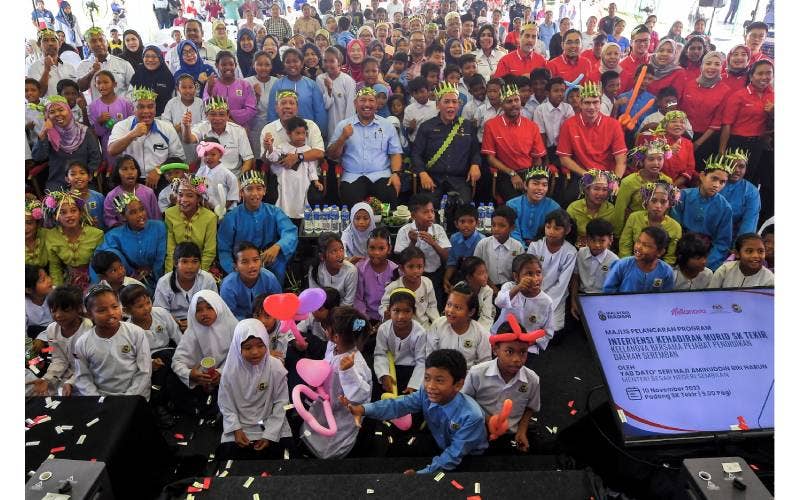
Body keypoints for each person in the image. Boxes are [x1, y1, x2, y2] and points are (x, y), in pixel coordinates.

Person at [343, 348, 487, 473]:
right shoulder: (426, 391)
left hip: (470, 459)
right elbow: (399, 405)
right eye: (427, 378)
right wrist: (363, 409)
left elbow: (454, 455)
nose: (430, 386)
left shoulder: (472, 416)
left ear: (458, 384)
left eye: (439, 380)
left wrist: (422, 475)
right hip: (439, 443)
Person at [301, 307, 372, 459]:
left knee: (330, 445)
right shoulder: (333, 347)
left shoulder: (354, 363)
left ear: (336, 336)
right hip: (325, 401)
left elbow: (360, 395)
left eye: (327, 329)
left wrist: (348, 372)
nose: (325, 331)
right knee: (316, 425)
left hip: (341, 413)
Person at [217, 318, 292, 460]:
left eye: (260, 345)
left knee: (282, 461)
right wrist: (236, 429)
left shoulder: (275, 367)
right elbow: (226, 403)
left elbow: (282, 403)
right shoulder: (231, 370)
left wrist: (270, 433)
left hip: (271, 421)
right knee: (231, 463)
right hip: (241, 424)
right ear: (238, 347)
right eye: (247, 347)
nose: (255, 352)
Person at [462, 318, 540, 451]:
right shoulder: (477, 373)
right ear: (495, 349)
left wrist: (522, 431)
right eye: (509, 351)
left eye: (523, 352)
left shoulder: (532, 380)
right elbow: (465, 400)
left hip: (510, 434)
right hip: (478, 429)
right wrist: (488, 420)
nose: (517, 359)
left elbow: (530, 407)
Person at [327, 87, 403, 207]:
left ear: (377, 104)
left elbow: (395, 153)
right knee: (351, 202)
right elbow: (332, 155)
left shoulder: (387, 125)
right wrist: (343, 138)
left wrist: (395, 174)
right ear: (355, 103)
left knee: (390, 197)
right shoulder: (343, 125)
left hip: (382, 175)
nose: (367, 104)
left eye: (371, 100)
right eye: (362, 100)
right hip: (353, 176)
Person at [217, 171, 297, 284]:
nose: (255, 193)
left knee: (278, 265)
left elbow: (290, 232)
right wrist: (233, 268)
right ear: (241, 193)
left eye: (259, 188)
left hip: (269, 260)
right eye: (249, 189)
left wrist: (278, 246)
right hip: (242, 263)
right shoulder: (231, 217)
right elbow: (224, 249)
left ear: (264, 191)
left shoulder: (274, 212)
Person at [73, 285, 152, 398]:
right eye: (102, 310)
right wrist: (97, 398)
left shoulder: (135, 332)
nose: (111, 313)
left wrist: (129, 397)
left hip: (134, 396)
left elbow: (144, 370)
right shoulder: (83, 342)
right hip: (102, 398)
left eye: (115, 306)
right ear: (90, 315)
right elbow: (83, 377)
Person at [412, 83, 482, 204]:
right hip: (432, 179)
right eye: (446, 102)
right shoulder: (426, 127)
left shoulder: (467, 126)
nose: (451, 106)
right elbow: (416, 154)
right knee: (427, 210)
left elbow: (475, 151)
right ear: (438, 105)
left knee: (463, 208)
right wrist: (422, 174)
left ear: (459, 105)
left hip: (459, 180)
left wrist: (475, 164)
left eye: (454, 102)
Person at [171, 290, 239, 413]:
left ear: (218, 307)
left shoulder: (233, 327)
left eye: (209, 308)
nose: (204, 314)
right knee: (172, 379)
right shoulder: (192, 332)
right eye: (199, 310)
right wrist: (191, 374)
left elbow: (239, 356)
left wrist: (221, 372)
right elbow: (177, 361)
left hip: (230, 376)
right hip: (202, 381)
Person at [482, 84, 547, 203]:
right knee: (516, 202)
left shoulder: (532, 126)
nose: (514, 104)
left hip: (529, 173)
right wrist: (512, 174)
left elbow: (537, 158)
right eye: (509, 101)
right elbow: (490, 158)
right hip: (505, 173)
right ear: (502, 104)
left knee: (538, 199)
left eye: (516, 100)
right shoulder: (491, 125)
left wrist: (532, 179)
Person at [107, 87, 185, 184]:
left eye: (150, 106)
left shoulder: (167, 128)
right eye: (141, 107)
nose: (146, 111)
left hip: (161, 177)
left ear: (155, 108)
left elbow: (178, 157)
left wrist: (159, 170)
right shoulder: (121, 126)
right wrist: (132, 134)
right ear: (133, 109)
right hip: (130, 180)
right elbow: (112, 151)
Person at [670, 156, 734, 271]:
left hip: (705, 256)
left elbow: (722, 243)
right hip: (679, 250)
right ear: (702, 176)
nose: (717, 185)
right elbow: (673, 229)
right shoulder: (683, 196)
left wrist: (705, 263)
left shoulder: (725, 208)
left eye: (722, 182)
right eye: (714, 178)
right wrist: (678, 257)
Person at [718, 60, 774, 188]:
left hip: (760, 145)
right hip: (738, 144)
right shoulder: (739, 95)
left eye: (768, 73)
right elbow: (727, 124)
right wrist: (721, 151)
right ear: (751, 76)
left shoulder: (773, 95)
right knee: (732, 180)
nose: (764, 77)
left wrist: (773, 111)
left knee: (752, 180)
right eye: (760, 73)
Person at [556, 81, 627, 179]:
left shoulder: (614, 125)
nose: (591, 107)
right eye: (587, 103)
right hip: (582, 174)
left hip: (608, 176)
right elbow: (564, 158)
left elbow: (621, 159)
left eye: (595, 102)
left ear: (600, 103)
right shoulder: (569, 124)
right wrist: (586, 175)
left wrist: (615, 181)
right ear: (580, 104)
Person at [30, 285, 92, 396]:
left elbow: (89, 364)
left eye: (65, 310)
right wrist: (47, 379)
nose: (58, 315)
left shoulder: (88, 328)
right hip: (66, 376)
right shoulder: (52, 329)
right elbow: (59, 360)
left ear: (78, 308)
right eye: (53, 311)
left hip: (89, 375)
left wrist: (71, 382)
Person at [97, 191, 166, 289]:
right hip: (128, 282)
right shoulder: (114, 235)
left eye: (142, 209)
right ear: (123, 217)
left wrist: (158, 280)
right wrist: (131, 276)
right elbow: (100, 259)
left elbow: (161, 258)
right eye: (133, 212)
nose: (140, 215)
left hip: (159, 278)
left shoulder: (159, 227)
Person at [32, 95, 102, 191]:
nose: (57, 114)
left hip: (83, 183)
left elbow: (96, 158)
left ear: (68, 111)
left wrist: (82, 177)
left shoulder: (84, 132)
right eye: (52, 112)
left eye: (61, 110)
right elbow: (38, 157)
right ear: (47, 116)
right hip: (57, 183)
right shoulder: (48, 134)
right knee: (57, 205)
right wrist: (43, 133)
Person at [525, 209, 576, 333]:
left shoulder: (570, 252)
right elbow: (528, 274)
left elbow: (562, 284)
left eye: (557, 228)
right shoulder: (535, 246)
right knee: (526, 326)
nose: (551, 232)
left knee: (554, 332)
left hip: (555, 298)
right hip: (532, 292)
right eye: (548, 227)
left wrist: (545, 301)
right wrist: (535, 295)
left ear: (567, 230)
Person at [43, 189, 103, 292]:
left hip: (95, 280)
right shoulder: (51, 236)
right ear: (55, 216)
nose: (69, 215)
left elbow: (100, 265)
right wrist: (58, 290)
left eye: (73, 210)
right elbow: (55, 267)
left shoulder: (96, 234)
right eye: (63, 212)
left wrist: (97, 288)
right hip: (68, 281)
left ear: (80, 213)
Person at [264, 116, 323, 221]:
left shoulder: (307, 150)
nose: (301, 136)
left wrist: (316, 181)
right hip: (285, 181)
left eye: (303, 133)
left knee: (301, 202)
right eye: (297, 133)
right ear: (289, 134)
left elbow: (312, 169)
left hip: (302, 183)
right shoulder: (282, 147)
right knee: (285, 200)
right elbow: (273, 157)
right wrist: (270, 147)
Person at [181, 96, 255, 178]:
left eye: (222, 114)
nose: (217, 118)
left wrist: (239, 181)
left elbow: (248, 159)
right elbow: (188, 140)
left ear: (228, 115)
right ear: (206, 115)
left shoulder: (239, 131)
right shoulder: (202, 127)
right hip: (206, 178)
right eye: (212, 114)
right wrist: (186, 126)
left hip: (232, 176)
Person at [153, 242, 218, 330]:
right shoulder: (164, 283)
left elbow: (214, 308)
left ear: (200, 263)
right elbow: (160, 313)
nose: (190, 266)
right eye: (184, 261)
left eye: (195, 261)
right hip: (173, 326)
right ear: (175, 263)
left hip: (202, 323)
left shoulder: (207, 280)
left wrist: (194, 322)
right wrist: (175, 323)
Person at [374, 288, 427, 393]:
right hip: (389, 368)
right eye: (396, 311)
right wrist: (384, 374)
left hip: (411, 371)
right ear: (389, 311)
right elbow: (380, 354)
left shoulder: (420, 332)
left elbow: (421, 361)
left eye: (407, 311)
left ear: (414, 312)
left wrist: (413, 385)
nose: (401, 316)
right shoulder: (384, 329)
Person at [618, 180, 682, 266]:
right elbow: (625, 247)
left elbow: (670, 258)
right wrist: (628, 266)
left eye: (663, 202)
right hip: (631, 264)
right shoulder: (634, 217)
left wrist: (657, 272)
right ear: (646, 200)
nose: (658, 206)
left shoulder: (675, 227)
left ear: (669, 204)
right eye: (653, 200)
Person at [266, 48, 328, 133]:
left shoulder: (311, 85)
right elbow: (272, 112)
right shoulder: (278, 85)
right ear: (284, 64)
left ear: (302, 63)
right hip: (283, 134)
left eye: (295, 61)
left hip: (307, 133)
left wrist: (320, 133)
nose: (292, 65)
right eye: (288, 62)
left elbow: (319, 112)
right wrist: (275, 133)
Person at [164, 175, 217, 272]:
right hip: (178, 266)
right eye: (180, 194)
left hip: (202, 266)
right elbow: (170, 250)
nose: (183, 199)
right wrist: (170, 274)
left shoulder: (210, 217)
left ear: (199, 199)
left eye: (190, 195)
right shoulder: (169, 214)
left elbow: (210, 251)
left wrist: (199, 273)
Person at [220, 241, 282, 320]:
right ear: (235, 266)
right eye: (244, 262)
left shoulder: (269, 278)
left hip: (267, 321)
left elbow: (278, 306)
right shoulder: (228, 286)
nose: (252, 265)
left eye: (256, 260)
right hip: (239, 324)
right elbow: (228, 315)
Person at [569, 219, 618, 318]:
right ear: (586, 239)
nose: (597, 245)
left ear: (610, 240)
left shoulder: (615, 261)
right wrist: (573, 301)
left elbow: (613, 290)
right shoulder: (580, 254)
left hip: (601, 300)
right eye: (593, 240)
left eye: (602, 240)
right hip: (580, 296)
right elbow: (575, 279)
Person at [380, 247, 439, 328]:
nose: (415, 271)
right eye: (411, 267)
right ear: (401, 268)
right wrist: (385, 313)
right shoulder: (394, 287)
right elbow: (384, 305)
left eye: (419, 267)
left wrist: (437, 323)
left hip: (423, 327)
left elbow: (431, 306)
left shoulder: (427, 283)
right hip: (401, 327)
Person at [603, 227, 675, 293]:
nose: (638, 247)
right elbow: (608, 291)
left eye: (646, 245)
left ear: (660, 252)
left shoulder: (666, 271)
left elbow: (666, 297)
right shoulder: (622, 265)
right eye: (638, 241)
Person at [472, 206, 525, 292]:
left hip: (510, 289)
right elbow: (476, 269)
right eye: (493, 225)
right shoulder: (483, 244)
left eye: (502, 226)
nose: (496, 229)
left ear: (512, 228)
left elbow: (519, 272)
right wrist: (493, 288)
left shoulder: (517, 246)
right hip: (486, 286)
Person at [88, 70, 134, 168]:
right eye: (98, 83)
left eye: (105, 82)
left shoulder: (125, 103)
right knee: (111, 171)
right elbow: (97, 133)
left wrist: (119, 127)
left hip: (126, 144)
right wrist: (99, 121)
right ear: (95, 85)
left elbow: (132, 124)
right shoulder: (93, 106)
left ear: (114, 84)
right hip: (107, 145)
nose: (102, 86)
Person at [504, 167, 560, 247]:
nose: (540, 188)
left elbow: (552, 234)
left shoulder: (554, 207)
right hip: (516, 247)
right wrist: (522, 248)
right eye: (535, 184)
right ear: (525, 185)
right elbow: (513, 231)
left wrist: (536, 249)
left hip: (542, 248)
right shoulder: (512, 205)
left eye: (544, 185)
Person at [203, 52, 259, 129]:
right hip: (216, 129)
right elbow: (208, 107)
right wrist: (209, 89)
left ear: (235, 65)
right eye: (224, 65)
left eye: (231, 64)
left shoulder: (244, 85)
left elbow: (251, 109)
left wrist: (229, 114)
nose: (228, 67)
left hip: (241, 129)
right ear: (217, 65)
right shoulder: (212, 83)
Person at [76, 28, 134, 101]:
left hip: (121, 111)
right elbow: (80, 88)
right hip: (97, 111)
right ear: (88, 46)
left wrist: (123, 105)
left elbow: (133, 88)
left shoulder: (123, 64)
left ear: (107, 42)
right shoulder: (83, 65)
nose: (98, 44)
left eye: (101, 40)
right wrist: (92, 72)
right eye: (93, 41)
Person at [567, 169, 619, 247]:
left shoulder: (611, 210)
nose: (600, 193)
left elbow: (614, 236)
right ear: (587, 189)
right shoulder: (574, 208)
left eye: (604, 189)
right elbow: (568, 234)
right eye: (596, 189)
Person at [317, 46, 357, 140]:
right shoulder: (320, 79)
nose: (328, 64)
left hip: (344, 125)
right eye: (325, 61)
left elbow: (351, 108)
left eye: (332, 61)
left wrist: (347, 128)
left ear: (339, 62)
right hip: (328, 124)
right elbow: (325, 106)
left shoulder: (348, 80)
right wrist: (329, 89)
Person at [720, 149, 761, 238]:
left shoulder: (752, 192)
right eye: (732, 165)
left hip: (732, 237)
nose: (736, 170)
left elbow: (749, 223)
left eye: (741, 166)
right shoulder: (715, 183)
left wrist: (739, 247)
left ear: (746, 169)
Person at [309, 233, 358, 306]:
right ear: (322, 256)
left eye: (341, 249)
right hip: (321, 308)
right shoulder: (315, 268)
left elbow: (348, 301)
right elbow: (314, 296)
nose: (340, 255)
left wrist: (334, 314)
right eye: (334, 251)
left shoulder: (351, 271)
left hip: (342, 311)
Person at [444, 205, 484, 293]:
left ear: (477, 223)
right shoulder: (454, 238)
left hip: (477, 280)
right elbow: (452, 262)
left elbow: (482, 270)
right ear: (456, 224)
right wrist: (446, 279)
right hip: (460, 276)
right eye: (462, 222)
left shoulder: (482, 241)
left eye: (471, 222)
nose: (466, 225)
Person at [709, 233, 774, 288]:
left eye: (760, 251)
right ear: (737, 253)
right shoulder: (725, 270)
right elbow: (711, 296)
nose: (756, 255)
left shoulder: (769, 279)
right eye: (749, 251)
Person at [27, 29, 78, 98]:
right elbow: (39, 94)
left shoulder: (69, 66)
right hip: (49, 108)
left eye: (53, 40)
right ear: (39, 45)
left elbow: (77, 90)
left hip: (72, 108)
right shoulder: (34, 68)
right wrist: (46, 70)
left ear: (59, 44)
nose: (50, 43)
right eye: (45, 40)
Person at [195, 139, 240, 213]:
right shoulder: (200, 171)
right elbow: (198, 188)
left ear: (220, 155)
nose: (209, 157)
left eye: (213, 154)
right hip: (205, 209)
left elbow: (232, 196)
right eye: (205, 154)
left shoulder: (228, 175)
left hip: (225, 211)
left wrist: (222, 210)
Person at [131, 46, 174, 116]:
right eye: (147, 56)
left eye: (154, 57)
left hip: (163, 117)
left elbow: (172, 100)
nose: (150, 60)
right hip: (141, 116)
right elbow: (131, 95)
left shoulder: (167, 77)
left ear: (160, 58)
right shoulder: (138, 74)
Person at [64, 162, 105, 229]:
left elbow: (105, 220)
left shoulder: (99, 197)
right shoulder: (63, 200)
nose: (78, 177)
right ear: (67, 179)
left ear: (90, 177)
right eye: (73, 174)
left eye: (82, 173)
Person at [618, 25, 652, 93]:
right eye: (638, 41)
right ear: (631, 43)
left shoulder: (654, 62)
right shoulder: (621, 66)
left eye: (646, 40)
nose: (642, 44)